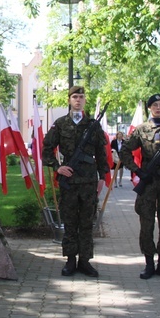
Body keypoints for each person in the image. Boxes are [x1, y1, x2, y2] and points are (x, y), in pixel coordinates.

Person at [42, 86, 109, 278]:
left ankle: (85, 261)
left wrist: (102, 177)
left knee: (87, 221)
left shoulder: (93, 125)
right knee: (70, 221)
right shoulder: (60, 124)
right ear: (69, 100)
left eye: (81, 97)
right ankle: (70, 260)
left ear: (85, 100)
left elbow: (101, 154)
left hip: (89, 181)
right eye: (74, 97)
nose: (78, 100)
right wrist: (57, 167)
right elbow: (46, 150)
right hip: (69, 181)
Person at [120, 94, 160, 280]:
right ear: (150, 108)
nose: (158, 107)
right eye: (155, 105)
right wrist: (137, 171)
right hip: (148, 184)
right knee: (146, 224)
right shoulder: (141, 130)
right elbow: (125, 150)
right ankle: (149, 264)